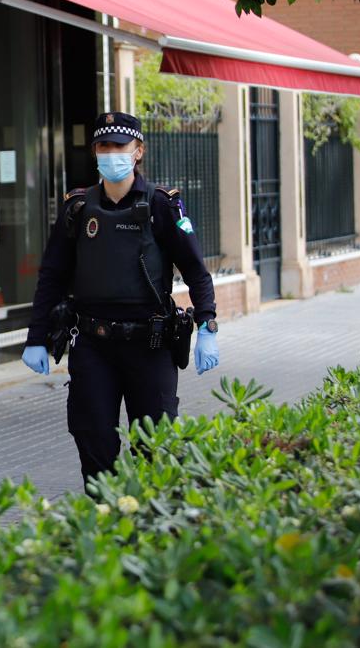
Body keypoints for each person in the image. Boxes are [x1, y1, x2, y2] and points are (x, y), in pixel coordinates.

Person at [21, 111, 220, 486]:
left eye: (120, 146)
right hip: (93, 347)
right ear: (95, 152)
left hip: (151, 344)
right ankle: (105, 526)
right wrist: (35, 338)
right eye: (104, 146)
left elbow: (195, 270)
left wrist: (207, 323)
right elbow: (51, 275)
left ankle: (151, 529)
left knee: (155, 447)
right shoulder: (78, 207)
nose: (111, 153)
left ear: (138, 151)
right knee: (93, 442)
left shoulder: (163, 205)